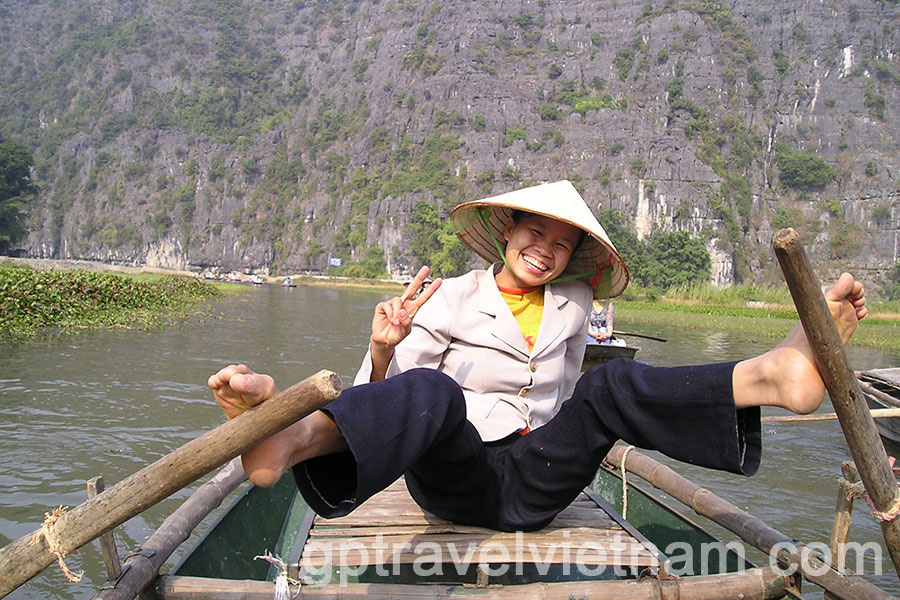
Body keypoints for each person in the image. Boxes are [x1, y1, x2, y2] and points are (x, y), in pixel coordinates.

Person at [209, 180, 867, 532]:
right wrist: (383, 348)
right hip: (457, 475)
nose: (545, 249)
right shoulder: (445, 299)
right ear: (506, 233)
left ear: (573, 258)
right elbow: (382, 399)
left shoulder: (576, 304)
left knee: (609, 388)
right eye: (534, 231)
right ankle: (288, 438)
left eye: (561, 242)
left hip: (542, 475)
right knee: (437, 395)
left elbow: (592, 382)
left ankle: (774, 374)